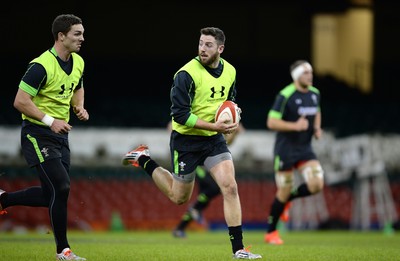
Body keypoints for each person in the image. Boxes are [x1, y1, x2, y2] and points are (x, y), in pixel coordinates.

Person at [122, 27, 261, 259]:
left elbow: (229, 99)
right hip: (186, 141)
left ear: (220, 48)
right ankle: (142, 158)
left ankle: (239, 249)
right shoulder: (185, 74)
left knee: (230, 186)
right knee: (179, 198)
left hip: (213, 141)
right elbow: (180, 116)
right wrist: (215, 126)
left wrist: (233, 113)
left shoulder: (231, 71)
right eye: (200, 43)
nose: (202, 48)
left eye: (208, 44)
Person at [0, 14, 88, 260]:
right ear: (61, 36)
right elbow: (20, 101)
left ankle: (4, 199)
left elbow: (77, 86)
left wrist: (79, 107)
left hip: (61, 135)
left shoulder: (78, 61)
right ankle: (63, 250)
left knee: (55, 193)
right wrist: (50, 121)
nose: (83, 38)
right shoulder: (40, 65)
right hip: (38, 134)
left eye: (82, 33)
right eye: (77, 34)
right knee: (62, 186)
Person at [264, 60, 324, 245]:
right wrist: (295, 126)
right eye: (306, 72)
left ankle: (288, 199)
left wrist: (316, 127)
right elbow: (271, 122)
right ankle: (271, 233)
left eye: (311, 72)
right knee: (283, 190)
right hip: (285, 150)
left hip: (305, 149)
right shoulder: (285, 95)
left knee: (316, 184)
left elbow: (317, 111)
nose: (310, 75)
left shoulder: (315, 93)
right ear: (297, 75)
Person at [172, 124, 244, 238]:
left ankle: (180, 228)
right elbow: (172, 124)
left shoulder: (217, 129)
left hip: (208, 165)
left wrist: (235, 133)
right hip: (198, 165)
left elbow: (227, 142)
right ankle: (193, 210)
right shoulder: (202, 122)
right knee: (214, 188)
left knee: (204, 199)